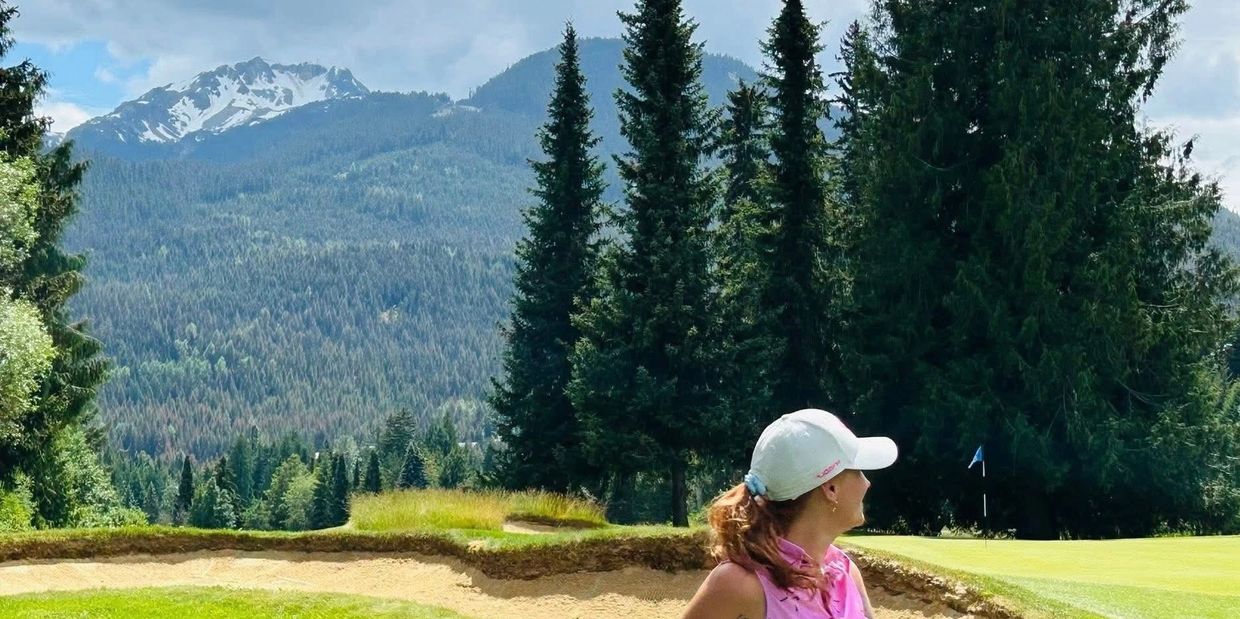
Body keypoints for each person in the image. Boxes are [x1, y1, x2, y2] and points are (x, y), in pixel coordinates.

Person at [683, 408, 898, 619]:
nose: (867, 483)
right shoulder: (739, 584)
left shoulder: (846, 571)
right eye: (858, 471)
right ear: (830, 488)